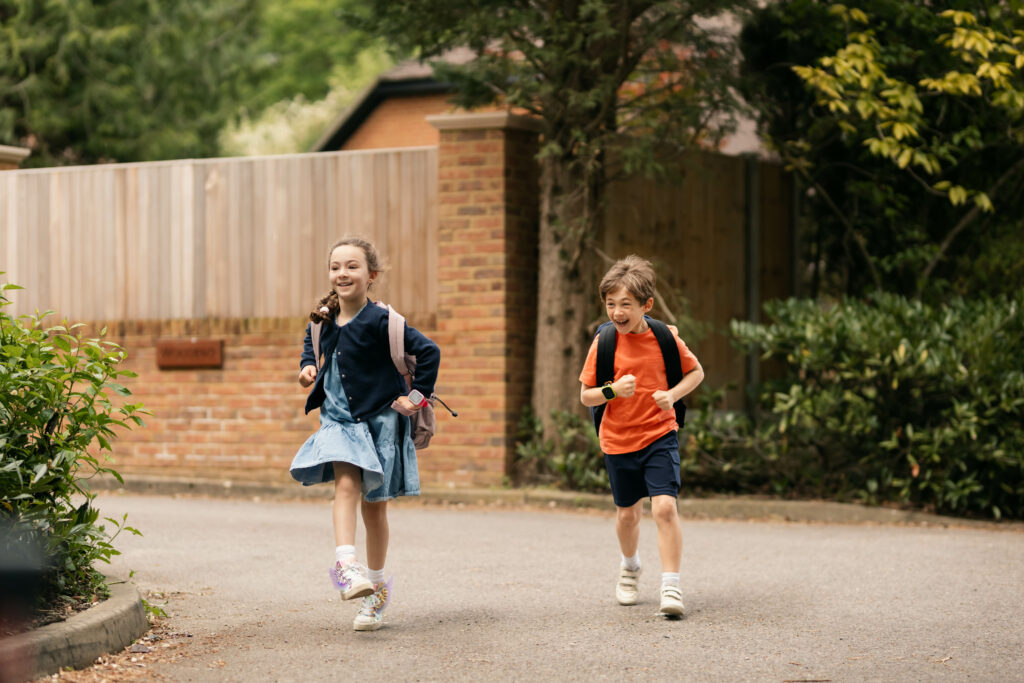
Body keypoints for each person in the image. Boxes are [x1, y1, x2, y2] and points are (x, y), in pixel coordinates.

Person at [291, 236, 440, 632]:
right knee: (345, 485)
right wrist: (307, 368)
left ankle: (375, 593)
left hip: (379, 422)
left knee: (374, 508)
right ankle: (345, 566)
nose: (342, 273)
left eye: (352, 266)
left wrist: (416, 397)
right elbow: (310, 347)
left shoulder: (382, 321)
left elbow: (429, 352)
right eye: (336, 266)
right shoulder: (322, 319)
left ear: (371, 275)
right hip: (339, 420)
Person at [578, 255, 704, 617]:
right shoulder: (604, 342)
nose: (617, 312)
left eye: (625, 305)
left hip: (659, 434)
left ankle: (671, 586)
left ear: (646, 305)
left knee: (664, 508)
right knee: (628, 515)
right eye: (610, 304)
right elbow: (586, 396)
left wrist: (672, 395)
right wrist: (613, 391)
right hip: (617, 440)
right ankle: (630, 567)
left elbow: (696, 372)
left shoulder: (665, 338)